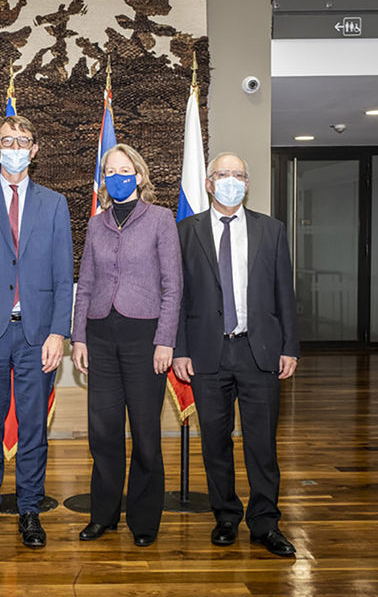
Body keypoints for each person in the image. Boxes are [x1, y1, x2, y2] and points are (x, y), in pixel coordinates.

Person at [0, 115, 73, 548]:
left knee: (33, 428)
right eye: (8, 141)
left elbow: (64, 275)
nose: (15, 147)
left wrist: (59, 332)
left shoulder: (55, 203)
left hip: (38, 335)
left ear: (35, 149)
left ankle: (29, 511)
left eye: (23, 141)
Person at [172, 152, 300, 557]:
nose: (231, 180)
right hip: (207, 353)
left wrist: (290, 347)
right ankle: (225, 515)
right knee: (215, 440)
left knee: (262, 443)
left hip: (259, 350)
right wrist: (179, 349)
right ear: (209, 183)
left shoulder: (272, 230)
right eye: (223, 174)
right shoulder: (184, 231)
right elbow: (177, 297)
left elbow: (285, 294)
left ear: (248, 183)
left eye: (239, 175)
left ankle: (265, 522)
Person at [70, 144, 182, 547]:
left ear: (139, 174)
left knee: (146, 434)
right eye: (109, 170)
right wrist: (78, 335)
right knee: (103, 433)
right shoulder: (96, 223)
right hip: (100, 334)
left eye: (124, 169)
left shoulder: (160, 219)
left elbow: (173, 285)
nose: (117, 176)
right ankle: (103, 515)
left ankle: (144, 520)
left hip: (144, 338)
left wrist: (165, 340)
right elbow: (85, 286)